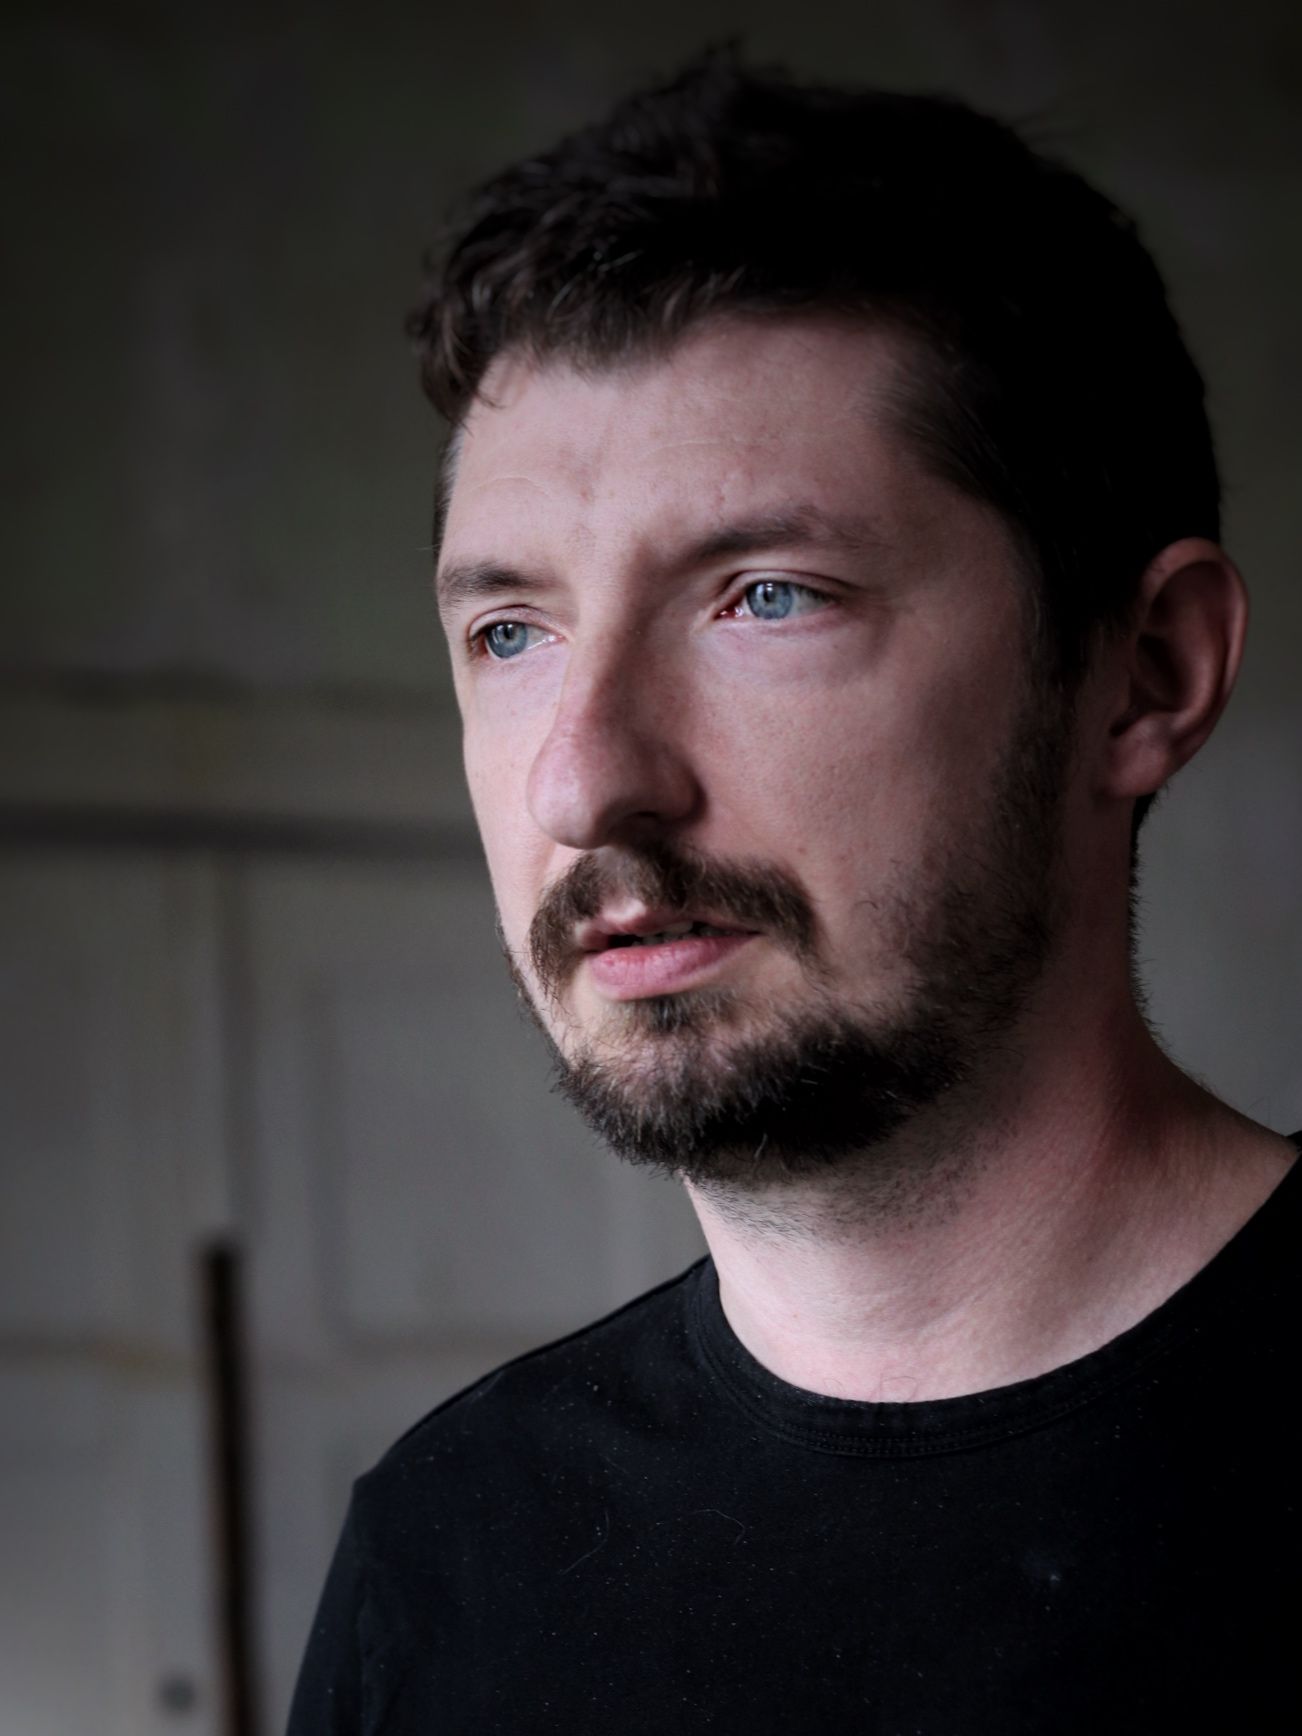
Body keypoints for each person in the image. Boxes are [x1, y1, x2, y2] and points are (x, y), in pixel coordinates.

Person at [287, 50, 1298, 1733]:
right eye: (511, 632)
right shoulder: (452, 1556)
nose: (581, 782)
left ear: (1145, 675)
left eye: (765, 595)